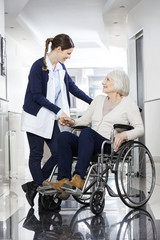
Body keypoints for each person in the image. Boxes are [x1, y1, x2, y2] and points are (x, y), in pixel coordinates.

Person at [44, 70, 144, 197]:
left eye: (107, 80)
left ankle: (79, 178)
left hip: (108, 144)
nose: (103, 82)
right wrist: (72, 122)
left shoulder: (128, 103)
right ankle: (63, 181)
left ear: (118, 83)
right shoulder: (98, 100)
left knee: (87, 133)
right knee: (64, 136)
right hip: (88, 142)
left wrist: (123, 135)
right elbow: (85, 120)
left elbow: (140, 129)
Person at [21, 33, 92, 207]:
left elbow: (73, 88)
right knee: (36, 154)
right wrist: (59, 111)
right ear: (58, 49)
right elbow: (37, 95)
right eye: (67, 53)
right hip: (35, 115)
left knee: (59, 153)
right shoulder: (38, 66)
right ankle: (40, 187)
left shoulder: (61, 68)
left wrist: (94, 102)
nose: (69, 57)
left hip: (50, 117)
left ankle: (34, 185)